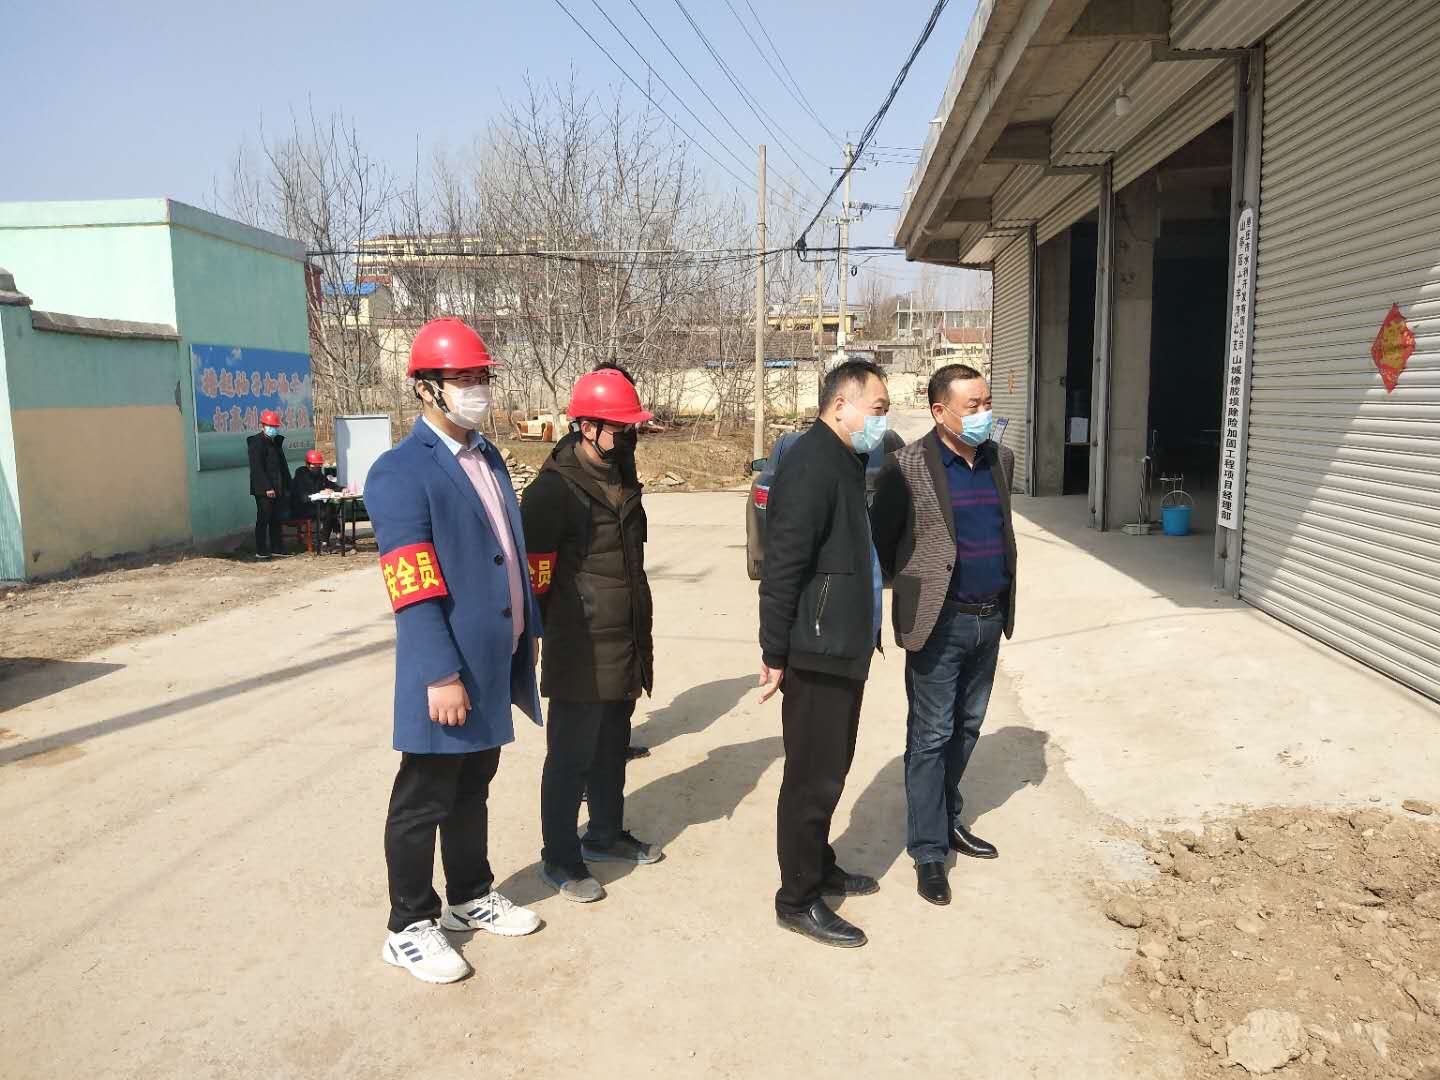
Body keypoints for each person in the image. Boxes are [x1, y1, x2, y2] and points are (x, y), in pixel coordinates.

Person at [365, 317, 543, 984]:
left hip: (494, 659)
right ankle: (408, 924)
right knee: (424, 798)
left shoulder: (488, 457)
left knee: (473, 788)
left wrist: (526, 636)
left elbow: (507, 553)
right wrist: (440, 673)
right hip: (447, 668)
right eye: (461, 378)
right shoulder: (400, 472)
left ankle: (469, 894)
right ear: (425, 388)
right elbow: (411, 585)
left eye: (481, 376)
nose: (476, 389)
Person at [870, 364, 1017, 907]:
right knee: (930, 735)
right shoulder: (906, 466)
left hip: (990, 616)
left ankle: (947, 817)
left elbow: (1000, 529)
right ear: (939, 411)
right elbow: (883, 544)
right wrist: (919, 589)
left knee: (968, 725)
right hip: (939, 622)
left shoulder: (1001, 459)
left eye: (987, 403)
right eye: (972, 406)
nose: (984, 414)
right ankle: (929, 850)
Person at [758, 359, 890, 948]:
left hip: (841, 644)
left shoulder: (843, 458)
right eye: (877, 410)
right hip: (815, 650)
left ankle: (820, 863)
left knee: (830, 770)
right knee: (811, 779)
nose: (882, 422)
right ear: (841, 405)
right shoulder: (812, 462)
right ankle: (797, 898)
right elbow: (783, 565)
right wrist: (774, 650)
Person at [522, 366, 661, 904]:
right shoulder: (553, 491)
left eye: (631, 427)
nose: (628, 436)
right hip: (578, 643)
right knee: (570, 757)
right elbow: (533, 578)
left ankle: (605, 832)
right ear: (587, 427)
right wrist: (537, 636)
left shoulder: (622, 475)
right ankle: (559, 857)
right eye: (619, 428)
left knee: (611, 748)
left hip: (624, 637)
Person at [246, 410, 291, 560]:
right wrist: (267, 487)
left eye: (275, 426)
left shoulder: (276, 442)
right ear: (263, 426)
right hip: (263, 489)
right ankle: (261, 550)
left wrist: (287, 485)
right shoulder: (256, 443)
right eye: (271, 426)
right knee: (263, 519)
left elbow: (282, 466)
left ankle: (277, 547)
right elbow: (257, 468)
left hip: (277, 487)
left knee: (276, 519)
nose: (274, 429)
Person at [291, 449, 342, 552]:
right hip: (302, 507)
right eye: (315, 465)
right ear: (307, 464)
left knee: (331, 507)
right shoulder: (301, 475)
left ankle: (335, 537)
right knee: (328, 510)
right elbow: (304, 495)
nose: (317, 468)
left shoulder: (318, 475)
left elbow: (330, 485)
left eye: (319, 465)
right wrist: (320, 492)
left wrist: (342, 489)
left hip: (315, 505)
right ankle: (328, 541)